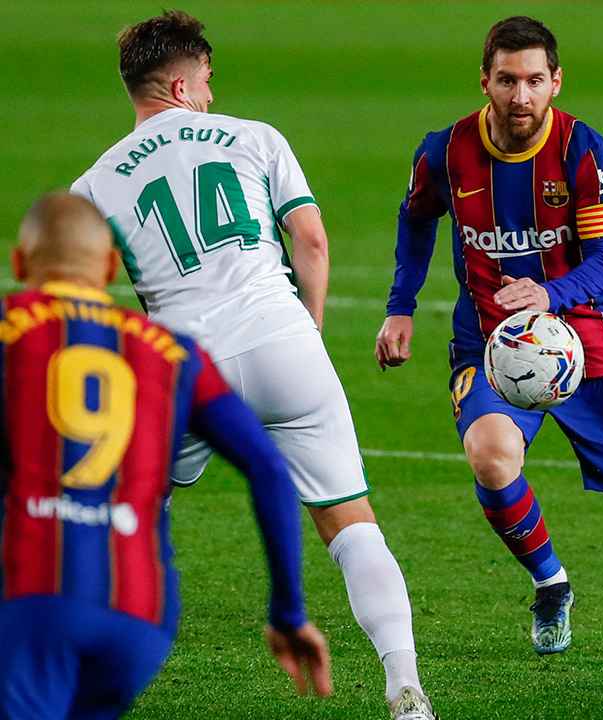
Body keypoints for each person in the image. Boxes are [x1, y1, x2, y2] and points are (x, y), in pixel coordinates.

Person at [67, 13, 435, 720]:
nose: (209, 93)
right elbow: (312, 240)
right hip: (282, 340)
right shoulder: (255, 137)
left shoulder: (96, 182)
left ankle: (83, 675)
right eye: (204, 81)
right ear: (179, 81)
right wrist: (309, 331)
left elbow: (81, 295)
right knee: (350, 523)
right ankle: (406, 691)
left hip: (181, 369)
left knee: (132, 519)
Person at [376, 16, 603, 658]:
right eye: (507, 80)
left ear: (556, 82)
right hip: (491, 346)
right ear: (484, 80)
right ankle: (551, 583)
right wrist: (400, 307)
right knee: (490, 457)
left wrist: (548, 295)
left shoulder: (583, 151)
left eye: (535, 81)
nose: (521, 97)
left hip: (583, 335)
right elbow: (415, 221)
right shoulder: (444, 151)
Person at [0, 193, 331, 720]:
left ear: (18, 263)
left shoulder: (9, 327)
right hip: (139, 617)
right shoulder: (173, 351)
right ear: (110, 267)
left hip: (31, 596)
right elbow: (267, 466)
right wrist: (288, 610)